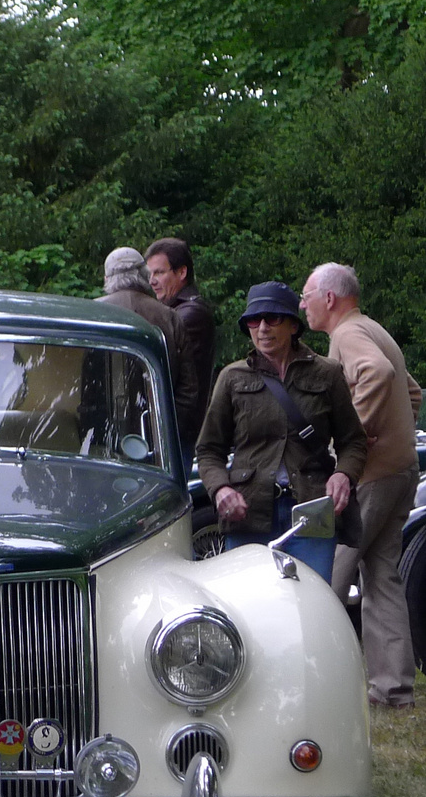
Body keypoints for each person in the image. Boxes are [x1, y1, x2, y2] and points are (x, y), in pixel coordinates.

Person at [300, 262, 423, 708]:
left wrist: (353, 435)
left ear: (329, 299)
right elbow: (412, 394)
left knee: (327, 574)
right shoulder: (373, 328)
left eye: (306, 294)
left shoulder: (348, 336)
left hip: (369, 476)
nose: (301, 304)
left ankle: (315, 686)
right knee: (383, 578)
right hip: (401, 470)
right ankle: (393, 690)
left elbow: (378, 375)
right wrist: (389, 434)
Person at [197, 281, 367, 583]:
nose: (262, 328)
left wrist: (344, 475)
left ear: (292, 325)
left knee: (312, 604)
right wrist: (220, 489)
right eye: (253, 320)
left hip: (310, 513)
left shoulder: (326, 374)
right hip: (248, 514)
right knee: (252, 605)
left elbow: (353, 441)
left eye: (272, 318)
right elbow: (209, 450)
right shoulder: (232, 378)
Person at [96, 246, 199, 467]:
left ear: (107, 278)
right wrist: (165, 432)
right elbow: (188, 390)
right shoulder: (169, 317)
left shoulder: (93, 313)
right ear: (144, 275)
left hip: (106, 441)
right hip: (162, 443)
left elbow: (86, 387)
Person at [145, 238, 216, 448]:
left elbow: (171, 373)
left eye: (159, 272)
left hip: (178, 432)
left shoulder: (190, 314)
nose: (151, 281)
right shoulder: (177, 311)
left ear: (181, 273)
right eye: (149, 274)